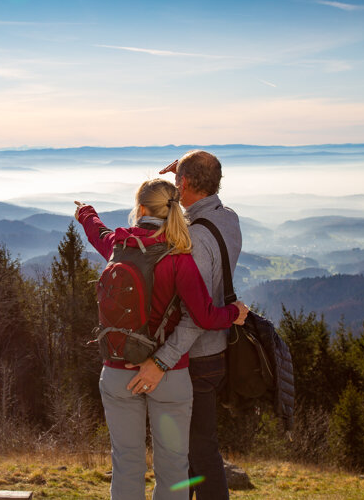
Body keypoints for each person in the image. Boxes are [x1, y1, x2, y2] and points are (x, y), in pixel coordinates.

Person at [75, 178, 245, 500]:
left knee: (126, 464)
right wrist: (233, 314)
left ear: (139, 209)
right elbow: (205, 316)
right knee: (173, 469)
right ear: (173, 211)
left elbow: (96, 231)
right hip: (167, 376)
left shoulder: (118, 247)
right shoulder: (178, 258)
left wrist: (86, 212)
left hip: (116, 372)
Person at [128, 151, 244, 500]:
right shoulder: (228, 218)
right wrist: (188, 173)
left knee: (199, 451)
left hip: (195, 356)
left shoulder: (193, 240)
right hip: (218, 351)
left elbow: (197, 315)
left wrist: (161, 361)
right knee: (194, 450)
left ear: (186, 183)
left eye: (181, 181)